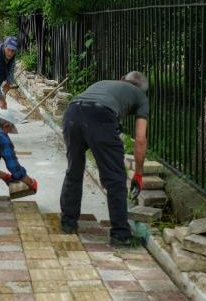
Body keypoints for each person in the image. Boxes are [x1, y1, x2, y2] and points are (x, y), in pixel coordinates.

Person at [59, 71, 149, 247]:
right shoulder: (141, 97)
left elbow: (86, 109)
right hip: (101, 116)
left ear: (122, 79)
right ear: (142, 90)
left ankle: (68, 223)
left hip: (72, 112)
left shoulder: (103, 82)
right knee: (115, 178)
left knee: (74, 170)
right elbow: (140, 139)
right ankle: (121, 235)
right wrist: (138, 173)